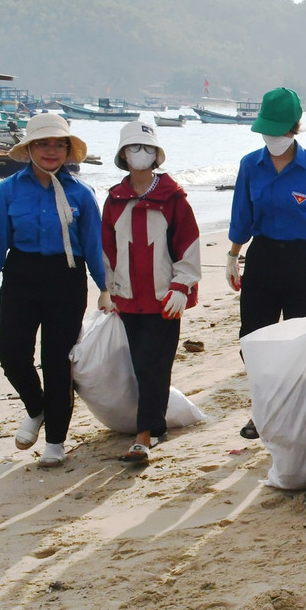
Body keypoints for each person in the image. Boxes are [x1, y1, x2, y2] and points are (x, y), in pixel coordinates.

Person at [0, 113, 108, 468]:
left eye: (58, 144)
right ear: (29, 148)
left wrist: (106, 288)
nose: (51, 151)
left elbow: (94, 245)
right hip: (22, 276)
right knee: (10, 353)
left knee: (58, 362)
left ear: (67, 151)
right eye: (43, 143)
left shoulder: (82, 195)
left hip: (67, 278)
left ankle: (55, 440)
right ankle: (37, 407)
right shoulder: (7, 190)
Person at [227, 86, 306, 439]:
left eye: (279, 130)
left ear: (295, 128)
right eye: (267, 130)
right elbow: (241, 215)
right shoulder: (250, 165)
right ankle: (261, 409)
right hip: (261, 257)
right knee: (254, 337)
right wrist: (232, 255)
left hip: (302, 260)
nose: (272, 137)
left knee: (297, 337)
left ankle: (293, 408)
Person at [102, 121, 201, 463]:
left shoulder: (174, 199)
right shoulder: (114, 200)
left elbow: (188, 245)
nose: (139, 155)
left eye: (146, 148)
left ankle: (143, 436)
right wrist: (108, 290)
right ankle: (156, 426)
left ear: (156, 155)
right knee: (140, 366)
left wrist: (181, 287)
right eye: (133, 148)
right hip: (127, 299)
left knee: (153, 365)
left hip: (164, 300)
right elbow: (107, 250)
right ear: (123, 156)